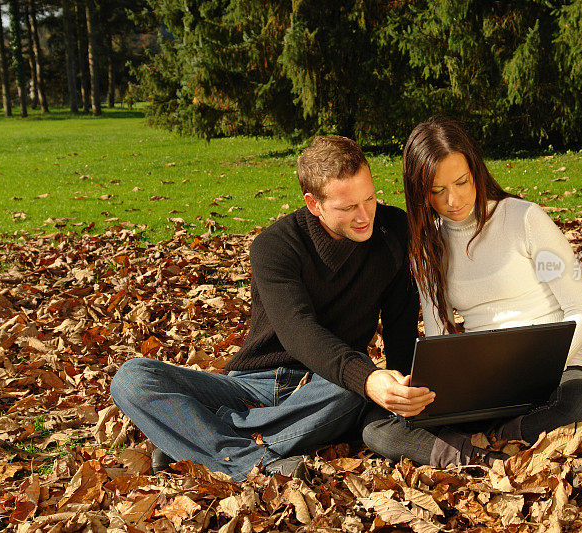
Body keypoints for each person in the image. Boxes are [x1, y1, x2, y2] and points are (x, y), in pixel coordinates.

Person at [111, 136, 434, 481]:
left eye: (369, 198)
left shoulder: (392, 230)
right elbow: (298, 331)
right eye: (346, 208)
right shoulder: (275, 246)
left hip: (326, 387)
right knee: (132, 378)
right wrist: (368, 380)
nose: (364, 215)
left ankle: (201, 436)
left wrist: (403, 395)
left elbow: (401, 324)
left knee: (352, 382)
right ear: (313, 204)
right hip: (251, 386)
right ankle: (251, 460)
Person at [362, 116, 582, 468]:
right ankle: (484, 453)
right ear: (420, 192)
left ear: (476, 171)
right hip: (480, 387)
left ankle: (493, 442)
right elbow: (439, 335)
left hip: (556, 374)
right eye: (436, 191)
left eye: (462, 182)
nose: (453, 199)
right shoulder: (428, 245)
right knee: (377, 427)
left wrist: (536, 365)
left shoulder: (525, 219)